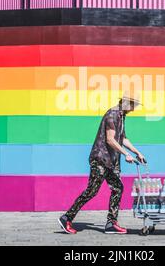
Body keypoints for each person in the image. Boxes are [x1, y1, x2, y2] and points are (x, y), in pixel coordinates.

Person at [58, 93, 146, 234]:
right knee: (91, 191)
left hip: (110, 161)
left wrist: (137, 152)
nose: (133, 109)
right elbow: (110, 140)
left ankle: (111, 223)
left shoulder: (121, 116)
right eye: (132, 105)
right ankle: (66, 218)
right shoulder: (112, 114)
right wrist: (126, 155)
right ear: (125, 102)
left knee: (117, 188)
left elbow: (122, 138)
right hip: (100, 159)